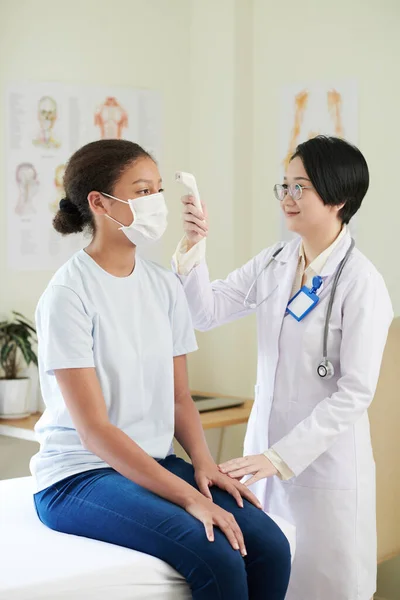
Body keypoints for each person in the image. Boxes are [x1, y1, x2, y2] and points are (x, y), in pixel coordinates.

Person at [30, 139, 291, 600]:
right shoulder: (68, 295)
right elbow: (93, 431)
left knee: (270, 546)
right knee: (217, 552)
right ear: (99, 202)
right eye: (141, 190)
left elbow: (178, 398)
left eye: (157, 189)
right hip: (79, 474)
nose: (156, 202)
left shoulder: (163, 285)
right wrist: (188, 496)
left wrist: (205, 467)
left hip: (153, 461)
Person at [173, 135, 393, 600]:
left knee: (325, 586)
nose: (288, 198)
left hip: (323, 470)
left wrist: (277, 458)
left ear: (338, 197)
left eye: (301, 187)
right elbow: (204, 312)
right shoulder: (274, 262)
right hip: (263, 462)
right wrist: (195, 246)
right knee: (274, 584)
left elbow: (354, 394)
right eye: (285, 186)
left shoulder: (363, 284)